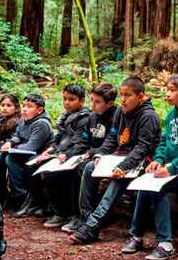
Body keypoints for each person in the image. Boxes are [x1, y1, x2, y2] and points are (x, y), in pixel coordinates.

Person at [121, 73, 178, 259]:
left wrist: (171, 169)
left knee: (159, 187)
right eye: (167, 89)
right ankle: (136, 235)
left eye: (172, 90)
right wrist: (158, 160)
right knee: (145, 184)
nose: (167, 93)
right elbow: (165, 142)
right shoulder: (172, 112)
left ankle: (165, 243)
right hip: (174, 168)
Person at [70, 76, 162, 245]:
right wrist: (100, 155)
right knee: (90, 167)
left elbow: (143, 148)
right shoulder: (121, 111)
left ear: (140, 97)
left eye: (128, 95)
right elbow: (113, 136)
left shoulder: (148, 116)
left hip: (143, 161)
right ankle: (87, 215)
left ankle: (92, 226)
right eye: (121, 95)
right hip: (120, 156)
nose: (123, 99)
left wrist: (122, 167)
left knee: (118, 179)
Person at [23, 84, 91, 222]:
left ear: (81, 101)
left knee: (54, 174)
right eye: (65, 99)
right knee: (34, 163)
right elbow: (58, 139)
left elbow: (79, 143)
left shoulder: (84, 118)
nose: (67, 102)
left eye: (71, 99)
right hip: (61, 152)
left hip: (74, 154)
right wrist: (47, 152)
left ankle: (63, 212)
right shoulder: (66, 116)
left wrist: (64, 154)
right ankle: (42, 203)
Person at [60, 82, 118, 233]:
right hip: (91, 154)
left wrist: (94, 152)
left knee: (81, 168)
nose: (92, 104)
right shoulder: (91, 117)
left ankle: (85, 214)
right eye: (92, 100)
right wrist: (67, 154)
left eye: (97, 102)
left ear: (109, 103)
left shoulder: (116, 117)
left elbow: (113, 143)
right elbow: (84, 140)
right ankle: (72, 214)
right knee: (71, 166)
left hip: (107, 156)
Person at [0, 94, 53, 209]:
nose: (25, 109)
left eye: (29, 107)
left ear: (39, 110)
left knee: (10, 158)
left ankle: (19, 194)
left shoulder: (41, 124)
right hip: (24, 152)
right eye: (24, 105)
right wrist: (9, 143)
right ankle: (1, 194)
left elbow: (32, 146)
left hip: (39, 153)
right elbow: (18, 136)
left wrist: (13, 149)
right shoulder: (23, 119)